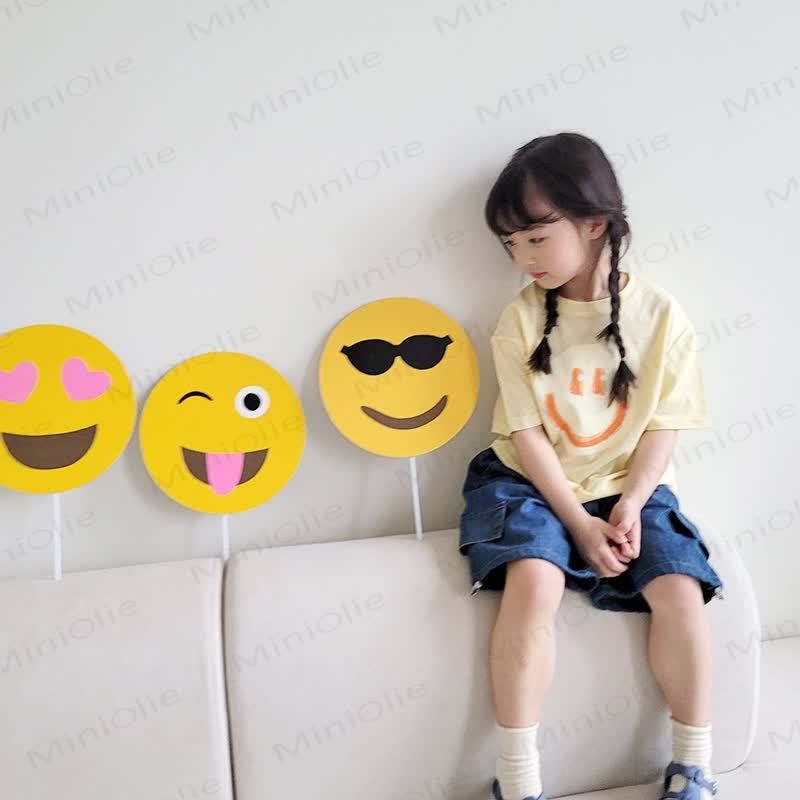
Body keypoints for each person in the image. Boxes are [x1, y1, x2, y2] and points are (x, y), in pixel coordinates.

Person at [458, 132, 723, 800]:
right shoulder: (518, 321)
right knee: (534, 579)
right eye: (510, 244)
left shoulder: (662, 317)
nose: (523, 258)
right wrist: (578, 523)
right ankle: (517, 780)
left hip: (630, 481)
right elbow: (525, 433)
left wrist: (631, 503)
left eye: (536, 238)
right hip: (527, 479)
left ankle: (694, 765)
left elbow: (664, 424)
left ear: (595, 222)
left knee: (680, 587)